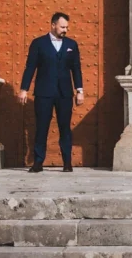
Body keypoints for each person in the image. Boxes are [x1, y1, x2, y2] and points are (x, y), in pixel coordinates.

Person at [18, 11, 84, 172]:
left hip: (64, 93)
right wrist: (24, 89)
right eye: (62, 27)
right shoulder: (38, 43)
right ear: (53, 25)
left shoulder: (71, 45)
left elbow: (76, 69)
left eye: (67, 27)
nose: (65, 30)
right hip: (43, 92)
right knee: (41, 127)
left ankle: (67, 163)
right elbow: (30, 67)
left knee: (65, 128)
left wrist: (79, 90)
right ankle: (38, 163)